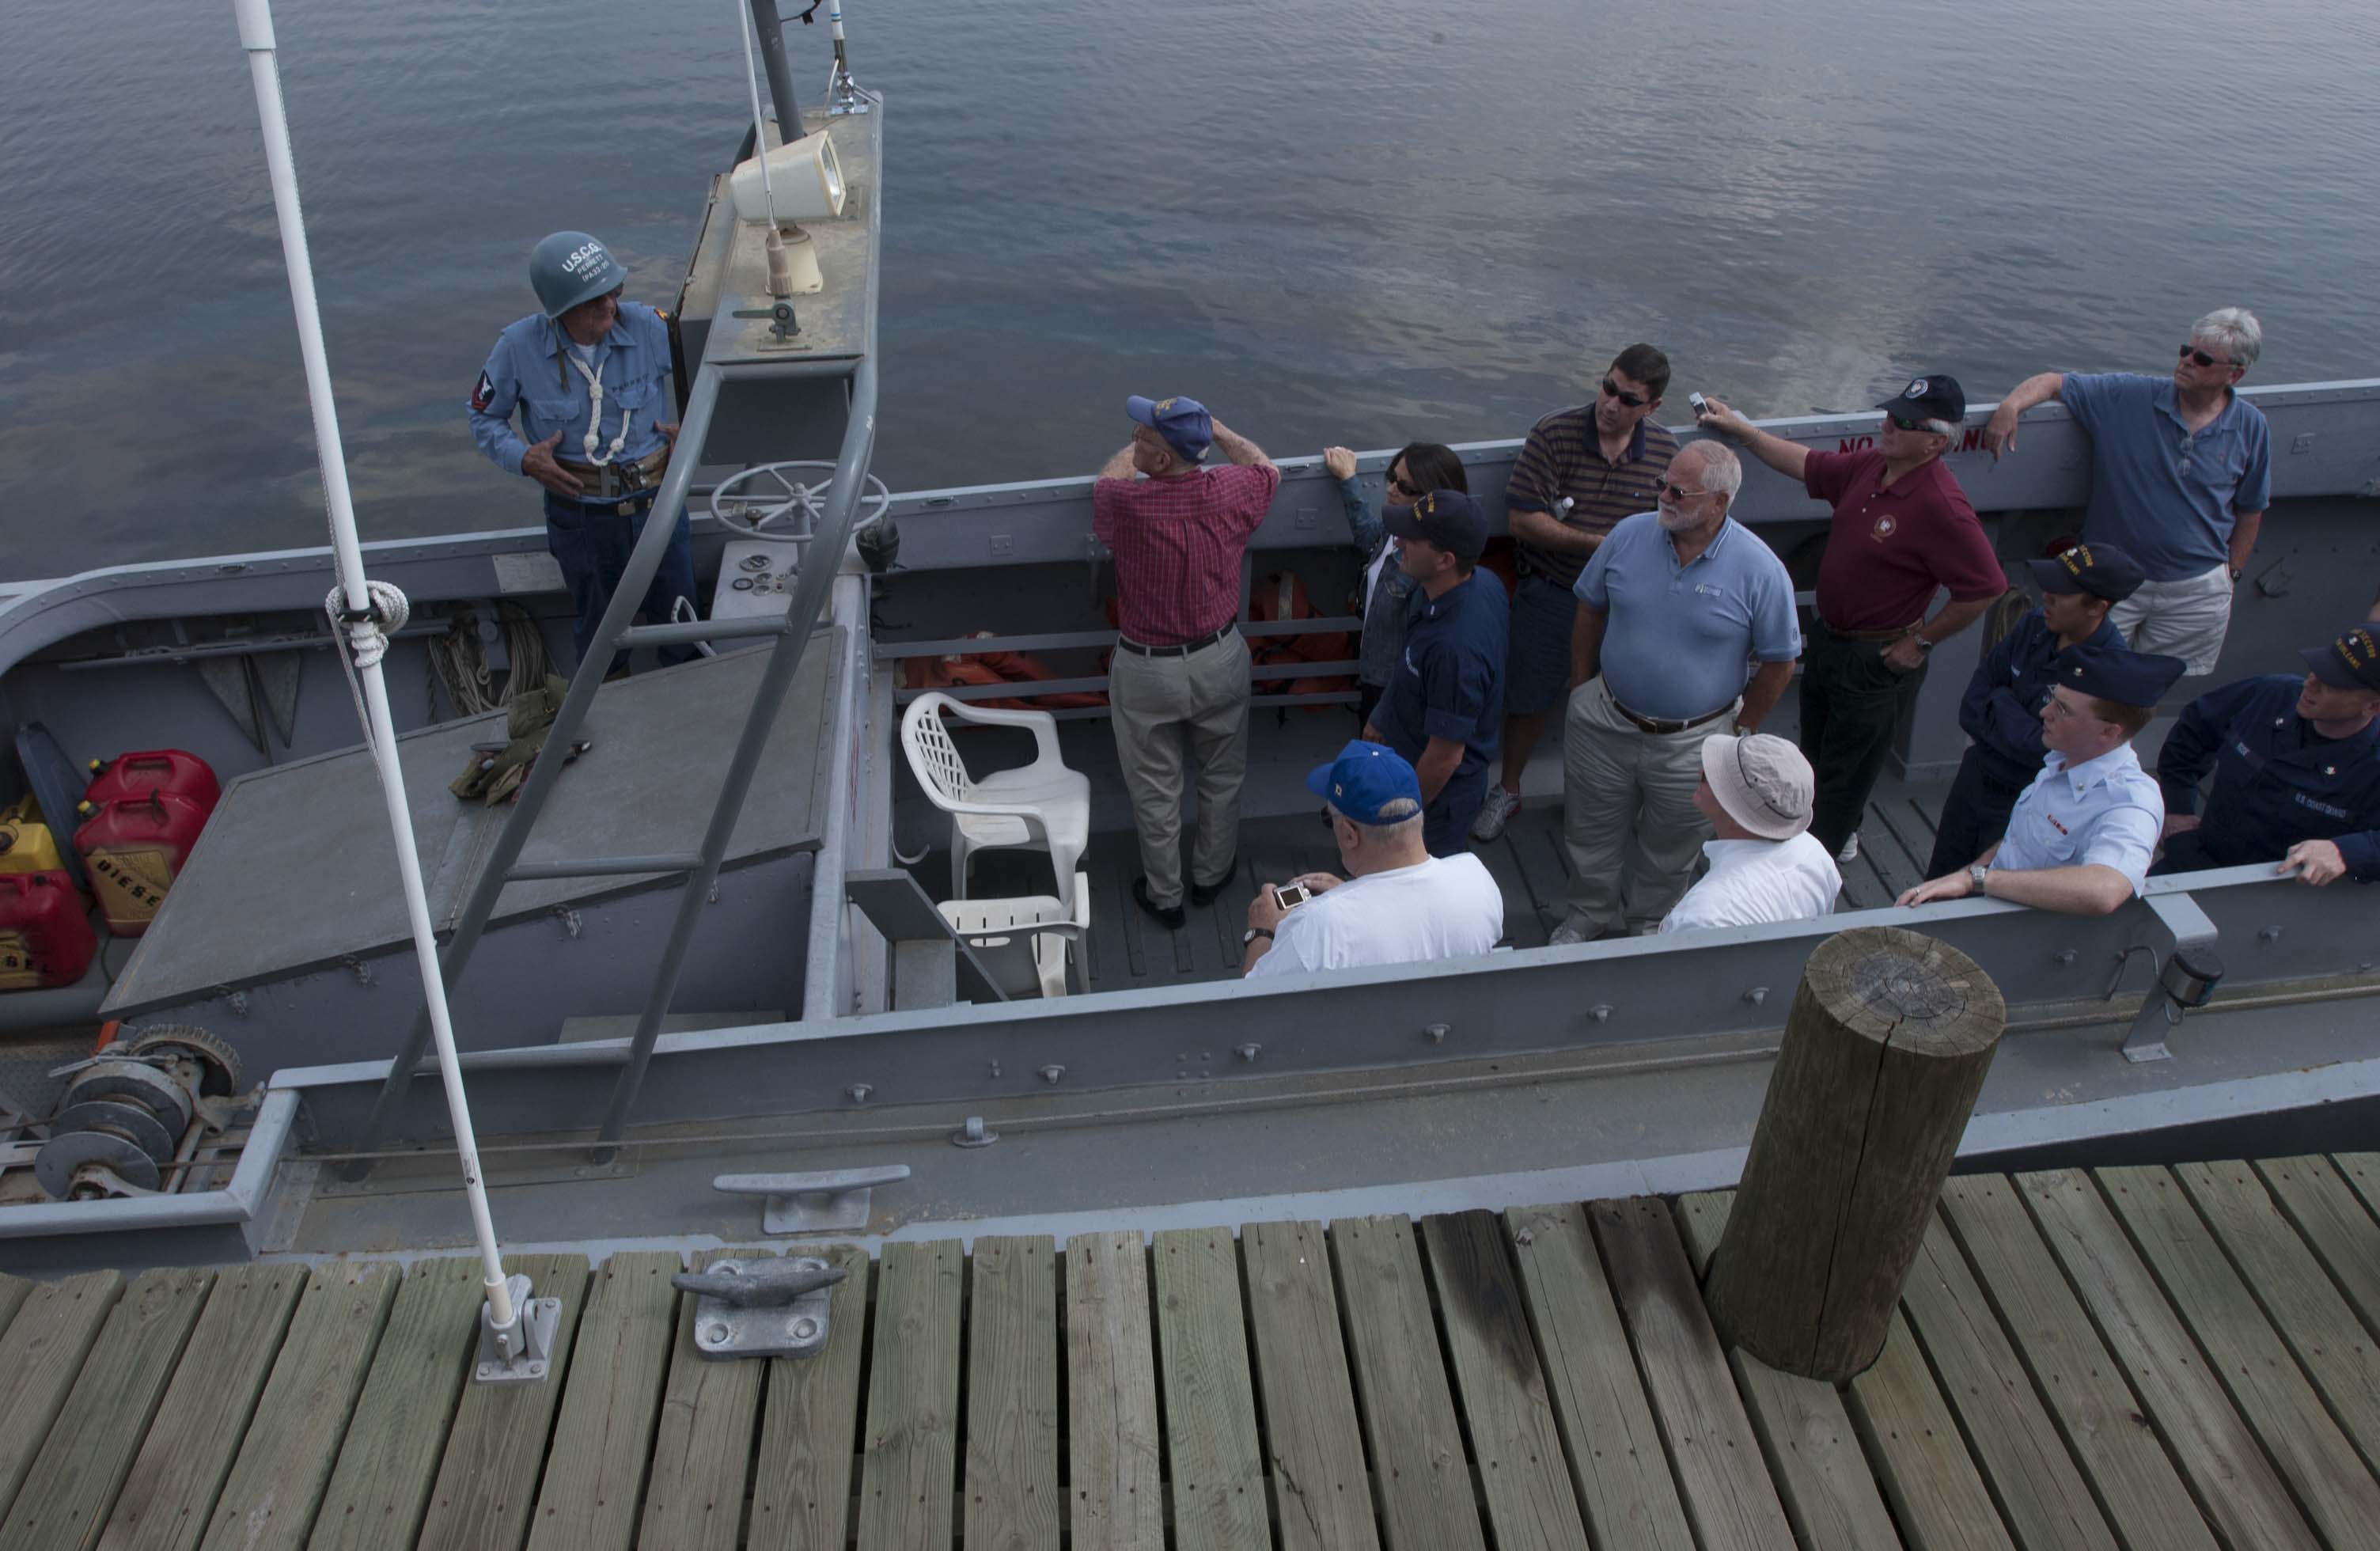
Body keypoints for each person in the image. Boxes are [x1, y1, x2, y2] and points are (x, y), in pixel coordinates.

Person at [1699, 375, 2005, 863]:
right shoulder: (1872, 466)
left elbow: (1986, 588)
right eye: (1889, 414)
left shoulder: (1942, 506)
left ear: (1935, 441)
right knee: (1816, 752)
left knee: (1847, 773)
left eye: (1904, 422)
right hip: (1830, 641)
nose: (1888, 425)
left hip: (1877, 660)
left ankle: (1811, 863)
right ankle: (1826, 833)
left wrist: (1920, 643)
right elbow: (1806, 464)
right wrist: (1744, 431)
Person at [1552, 442, 1802, 942]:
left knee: (1673, 845)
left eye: (1678, 492)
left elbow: (1780, 661)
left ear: (1719, 503)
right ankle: (1587, 914)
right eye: (1661, 485)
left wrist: (1741, 728)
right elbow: (1589, 608)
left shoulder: (1761, 570)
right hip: (1604, 722)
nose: (1663, 497)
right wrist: (1582, 686)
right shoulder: (1627, 536)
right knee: (1589, 828)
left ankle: (1649, 923)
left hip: (1697, 740)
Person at [1983, 309, 2271, 676]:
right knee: (2077, 678)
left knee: (2150, 689)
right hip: (2111, 585)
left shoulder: (2252, 427)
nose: (2186, 362)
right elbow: (2054, 382)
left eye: (2201, 359)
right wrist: (2011, 406)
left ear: (2235, 374)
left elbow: (2251, 507)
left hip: (2196, 591)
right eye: (2185, 350)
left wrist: (2232, 574)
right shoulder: (2127, 397)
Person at [1472, 345, 1681, 843]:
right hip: (1552, 592)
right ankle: (1508, 789)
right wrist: (1603, 546)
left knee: (1629, 701)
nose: (1610, 403)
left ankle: (1613, 799)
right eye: (1608, 387)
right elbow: (1522, 519)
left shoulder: (1667, 454)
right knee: (1528, 697)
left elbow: (1677, 526)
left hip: (1627, 606)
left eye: (1628, 399)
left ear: (1651, 408)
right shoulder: (1554, 432)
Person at [469, 231, 695, 677]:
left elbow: (710, 369)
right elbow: (483, 417)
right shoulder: (518, 348)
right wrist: (523, 458)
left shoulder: (650, 327)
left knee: (683, 627)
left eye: (614, 292)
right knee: (602, 641)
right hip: (583, 520)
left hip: (658, 510)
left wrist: (692, 423)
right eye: (594, 301)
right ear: (560, 311)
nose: (609, 306)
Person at [1093, 395, 1280, 929]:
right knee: (1222, 777)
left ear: (1157, 461)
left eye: (1143, 437)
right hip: (1219, 657)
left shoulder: (1126, 505)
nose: (1134, 441)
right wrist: (1215, 429)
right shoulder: (1233, 490)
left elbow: (1106, 482)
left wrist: (1132, 452)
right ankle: (1212, 876)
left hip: (1147, 668)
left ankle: (1165, 895)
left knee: (1156, 789)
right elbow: (1265, 467)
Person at [1898, 645, 2185, 914]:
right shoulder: (2061, 760)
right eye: (2053, 700)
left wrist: (1976, 880)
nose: (2044, 712)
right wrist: (1968, 874)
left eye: (2063, 709)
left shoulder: (2130, 802)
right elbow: (2022, 842)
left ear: (2109, 733)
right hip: (1990, 903)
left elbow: (2105, 890)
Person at [1925, 541, 2143, 878]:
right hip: (1975, 778)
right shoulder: (2034, 625)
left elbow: (2043, 750)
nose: (2048, 597)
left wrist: (2001, 701)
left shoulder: (2106, 671)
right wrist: (2016, 721)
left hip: (2023, 802)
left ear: (2097, 607)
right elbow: (1971, 706)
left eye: (2061, 594)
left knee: (1988, 895)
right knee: (1939, 877)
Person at [1243, 741, 1503, 977]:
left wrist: (1262, 931)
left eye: (1328, 819)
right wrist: (1349, 894)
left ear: (1349, 834)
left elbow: (1250, 1008)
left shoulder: (1318, 929)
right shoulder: (1476, 879)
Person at [2153, 624, 2380, 885]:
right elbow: (2195, 728)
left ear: (2373, 706)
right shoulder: (2269, 695)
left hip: (2286, 894)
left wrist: (2346, 852)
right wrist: (2176, 806)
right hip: (2196, 861)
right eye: (2316, 669)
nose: (2311, 683)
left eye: (2332, 684)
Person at [1362, 491, 1508, 854]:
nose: (1398, 542)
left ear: (1445, 559)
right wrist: (1381, 719)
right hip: (1405, 752)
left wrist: (1398, 817)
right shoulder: (1476, 583)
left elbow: (1445, 758)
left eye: (1411, 539)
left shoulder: (1455, 649)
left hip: (1439, 800)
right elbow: (1412, 661)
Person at [1320, 442, 1469, 730]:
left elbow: (1419, 654)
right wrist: (1348, 480)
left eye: (1405, 487)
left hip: (1393, 694)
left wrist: (1383, 714)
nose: (1390, 489)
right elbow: (1370, 539)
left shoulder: (1431, 567)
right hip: (1373, 677)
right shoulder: (1397, 526)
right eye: (1392, 477)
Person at [1659, 733, 1839, 933]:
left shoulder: (1702, 919)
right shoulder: (1816, 854)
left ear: (1736, 817)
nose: (1700, 770)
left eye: (1708, 777)